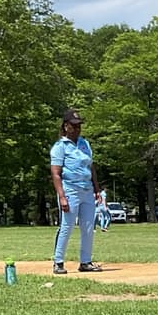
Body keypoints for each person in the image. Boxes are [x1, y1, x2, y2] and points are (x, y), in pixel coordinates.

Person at [50, 109, 101, 274]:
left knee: (88, 227)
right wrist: (62, 197)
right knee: (67, 226)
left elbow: (91, 167)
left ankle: (85, 262)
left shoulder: (84, 144)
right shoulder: (60, 147)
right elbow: (56, 174)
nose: (78, 129)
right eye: (74, 125)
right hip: (70, 190)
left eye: (79, 126)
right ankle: (58, 261)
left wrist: (97, 189)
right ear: (66, 126)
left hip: (87, 190)